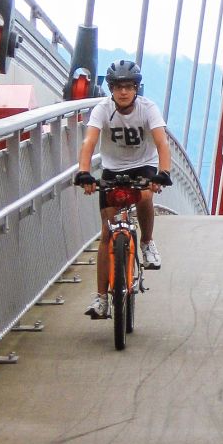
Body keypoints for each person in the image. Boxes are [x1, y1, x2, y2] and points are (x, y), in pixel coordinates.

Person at [74, 59, 172, 319]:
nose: (124, 92)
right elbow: (89, 142)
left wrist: (163, 173)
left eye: (129, 86)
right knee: (107, 232)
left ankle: (148, 243)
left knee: (145, 195)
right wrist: (84, 172)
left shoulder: (148, 108)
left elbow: (162, 143)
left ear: (137, 88)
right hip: (112, 169)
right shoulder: (102, 110)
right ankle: (101, 298)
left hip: (143, 165)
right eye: (118, 87)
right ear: (111, 89)